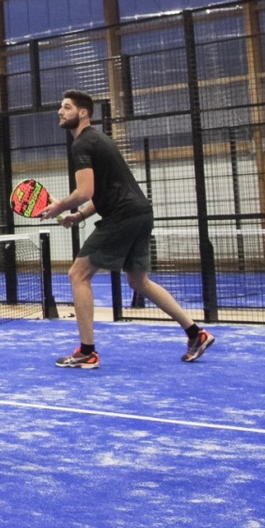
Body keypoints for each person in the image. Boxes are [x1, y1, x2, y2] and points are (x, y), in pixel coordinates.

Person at [41, 90, 215, 368]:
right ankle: (196, 333)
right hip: (140, 213)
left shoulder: (82, 144)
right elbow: (108, 190)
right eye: (60, 108)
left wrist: (60, 206)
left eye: (66, 107)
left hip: (122, 216)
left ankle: (87, 352)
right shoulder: (100, 140)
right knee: (138, 281)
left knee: (78, 274)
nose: (60, 112)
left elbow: (85, 190)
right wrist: (79, 215)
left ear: (83, 113)